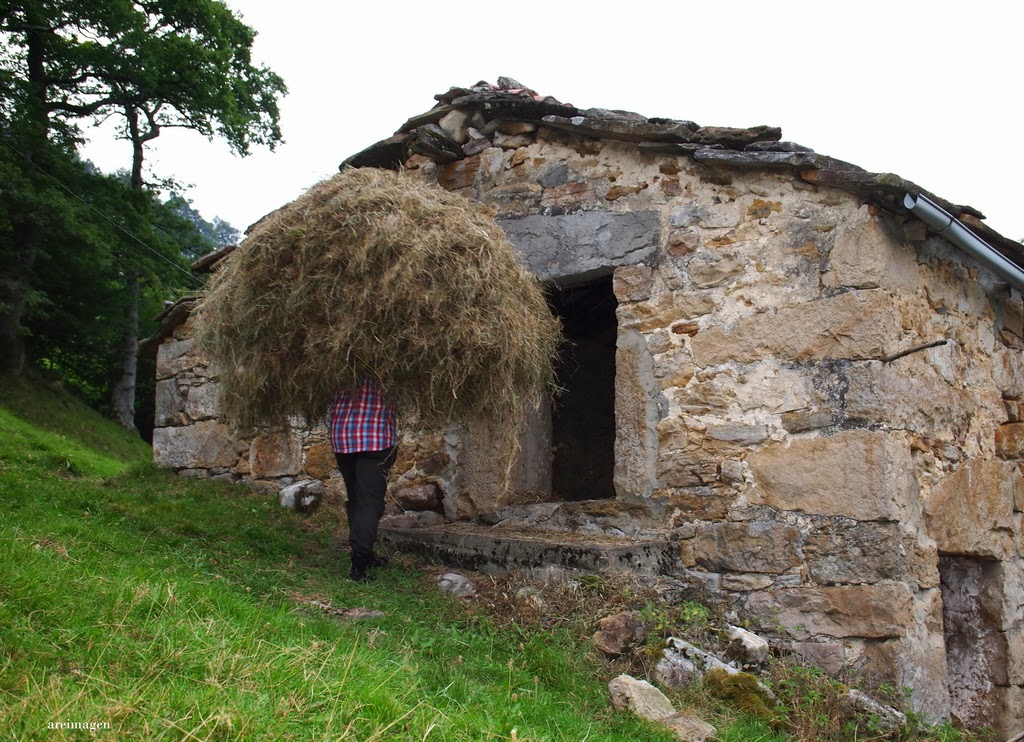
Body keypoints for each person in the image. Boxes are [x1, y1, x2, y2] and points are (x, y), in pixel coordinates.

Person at [329, 377, 398, 582]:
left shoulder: (339, 364)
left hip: (343, 437)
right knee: (369, 502)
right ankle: (359, 565)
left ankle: (364, 553)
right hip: (376, 438)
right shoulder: (386, 364)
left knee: (356, 498)